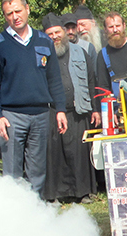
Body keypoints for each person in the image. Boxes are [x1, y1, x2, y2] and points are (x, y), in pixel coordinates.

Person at [0, 0, 68, 196]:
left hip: (40, 114)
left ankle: (35, 215)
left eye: (18, 11)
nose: (15, 17)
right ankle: (14, 218)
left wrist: (61, 110)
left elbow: (54, 79)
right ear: (5, 17)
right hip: (12, 116)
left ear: (27, 9)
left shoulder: (44, 41)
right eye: (9, 14)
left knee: (37, 172)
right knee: (12, 173)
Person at [40, 14, 98, 203]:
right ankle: (54, 195)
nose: (54, 36)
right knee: (54, 153)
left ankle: (81, 193)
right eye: (50, 34)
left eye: (57, 32)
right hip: (52, 111)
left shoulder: (81, 52)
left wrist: (95, 109)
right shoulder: (41, 55)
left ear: (64, 32)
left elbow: (91, 80)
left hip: (78, 110)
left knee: (79, 152)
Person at [94, 11, 127, 125]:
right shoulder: (103, 55)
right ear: (105, 30)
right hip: (118, 113)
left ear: (124, 26)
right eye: (111, 27)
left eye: (118, 26)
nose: (115, 30)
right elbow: (103, 87)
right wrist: (110, 112)